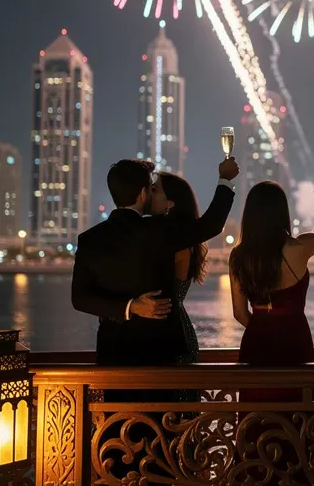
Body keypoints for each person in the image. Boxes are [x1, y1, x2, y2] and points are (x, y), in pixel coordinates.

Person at [71, 157, 238, 390]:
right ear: (142, 194)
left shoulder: (89, 239)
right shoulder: (158, 230)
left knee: (115, 421)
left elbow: (79, 299)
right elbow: (211, 225)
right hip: (158, 355)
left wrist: (127, 307)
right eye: (150, 188)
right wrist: (225, 180)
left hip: (112, 354)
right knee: (161, 422)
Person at [229, 164, 314, 485]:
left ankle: (254, 475)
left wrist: (262, 325)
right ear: (281, 214)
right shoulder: (298, 249)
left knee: (256, 420)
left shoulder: (239, 257)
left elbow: (239, 313)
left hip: (257, 343)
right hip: (294, 341)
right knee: (297, 420)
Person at [149, 172, 207, 402]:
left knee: (175, 414)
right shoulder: (170, 237)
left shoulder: (178, 243)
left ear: (170, 203)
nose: (148, 193)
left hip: (173, 336)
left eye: (155, 189)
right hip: (170, 330)